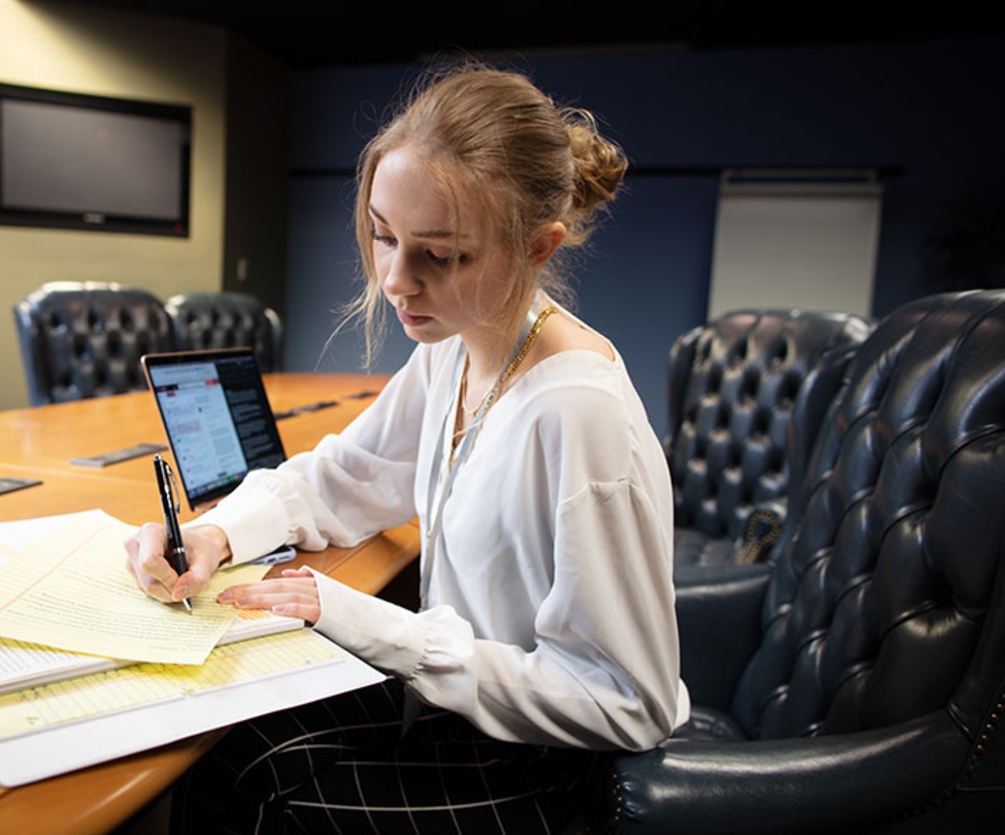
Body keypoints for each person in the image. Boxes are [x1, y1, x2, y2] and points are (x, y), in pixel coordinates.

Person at [125, 65, 689, 833]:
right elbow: (347, 477)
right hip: (460, 712)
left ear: (538, 245)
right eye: (384, 235)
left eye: (442, 254)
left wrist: (380, 627)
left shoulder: (577, 415)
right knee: (227, 748)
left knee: (257, 789)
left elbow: (628, 703)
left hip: (551, 769)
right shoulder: (455, 348)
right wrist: (218, 533)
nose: (396, 280)